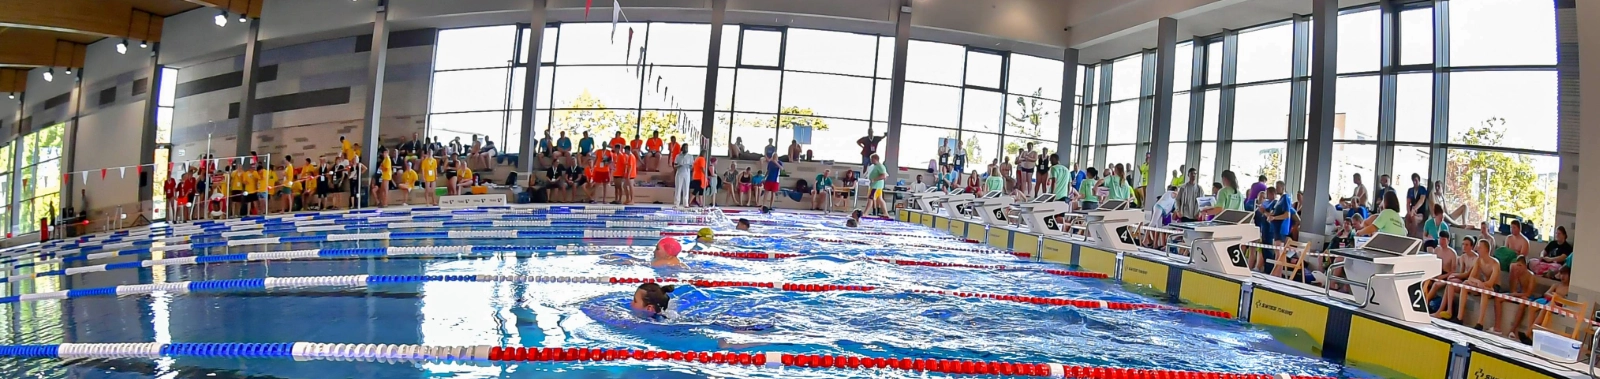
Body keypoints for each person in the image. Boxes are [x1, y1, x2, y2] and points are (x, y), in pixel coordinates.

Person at [1508, 266, 1570, 343]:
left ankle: (1529, 332)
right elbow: (1546, 293)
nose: (1562, 276)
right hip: (1546, 300)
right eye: (1561, 274)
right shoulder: (1556, 285)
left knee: (1545, 308)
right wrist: (1554, 296)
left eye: (1565, 274)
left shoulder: (1569, 289)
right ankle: (1530, 333)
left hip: (1554, 304)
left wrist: (1555, 297)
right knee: (1532, 306)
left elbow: (1564, 300)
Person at [1405, 173, 1430, 237]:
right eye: (1413, 180)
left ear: (1419, 180)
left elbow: (1421, 200)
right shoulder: (1410, 190)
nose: (1414, 182)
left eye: (1416, 180)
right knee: (1407, 217)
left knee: (1414, 218)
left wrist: (1414, 209)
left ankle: (1413, 236)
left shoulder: (1422, 189)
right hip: (1411, 211)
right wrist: (1409, 212)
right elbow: (1408, 202)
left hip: (1421, 212)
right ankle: (1406, 234)